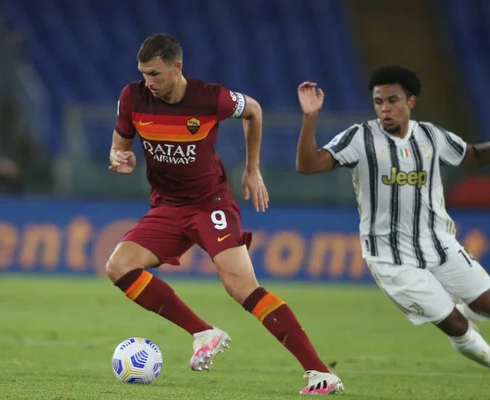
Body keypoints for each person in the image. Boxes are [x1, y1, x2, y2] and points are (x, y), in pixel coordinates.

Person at [106, 33, 343, 395]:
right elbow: (119, 147)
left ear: (177, 68)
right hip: (168, 206)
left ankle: (320, 372)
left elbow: (254, 110)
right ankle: (203, 332)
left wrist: (252, 168)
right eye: (143, 74)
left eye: (154, 74)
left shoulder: (209, 97)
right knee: (118, 266)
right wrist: (118, 159)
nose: (147, 82)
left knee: (241, 288)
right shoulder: (132, 96)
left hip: (209, 204)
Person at [295, 65, 490, 392]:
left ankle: (456, 317)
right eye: (378, 102)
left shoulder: (431, 135)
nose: (384, 108)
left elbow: (475, 157)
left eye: (392, 100)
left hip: (439, 244)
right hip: (391, 258)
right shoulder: (359, 137)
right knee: (455, 325)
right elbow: (307, 165)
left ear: (410, 102)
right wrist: (310, 117)